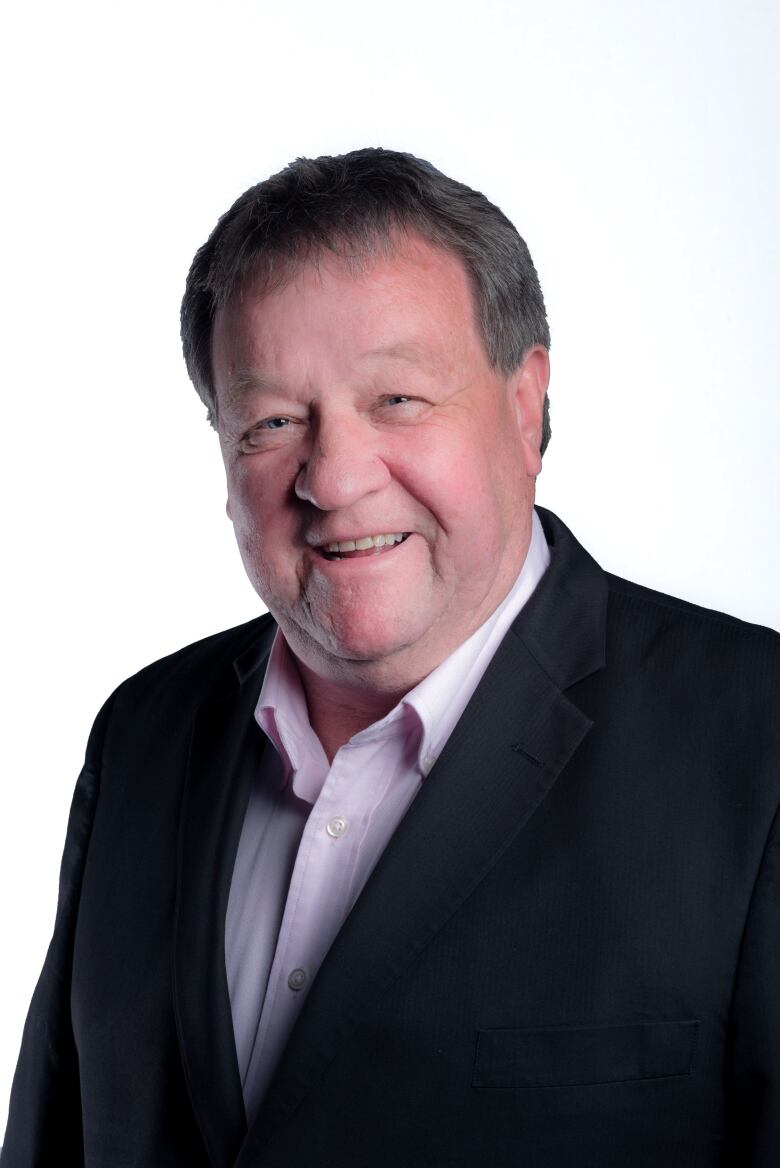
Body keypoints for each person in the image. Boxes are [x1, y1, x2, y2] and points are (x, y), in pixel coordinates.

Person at [3, 148, 779, 1168]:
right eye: (272, 422)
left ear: (525, 402)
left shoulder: (756, 741)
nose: (332, 477)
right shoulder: (142, 736)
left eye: (398, 400)